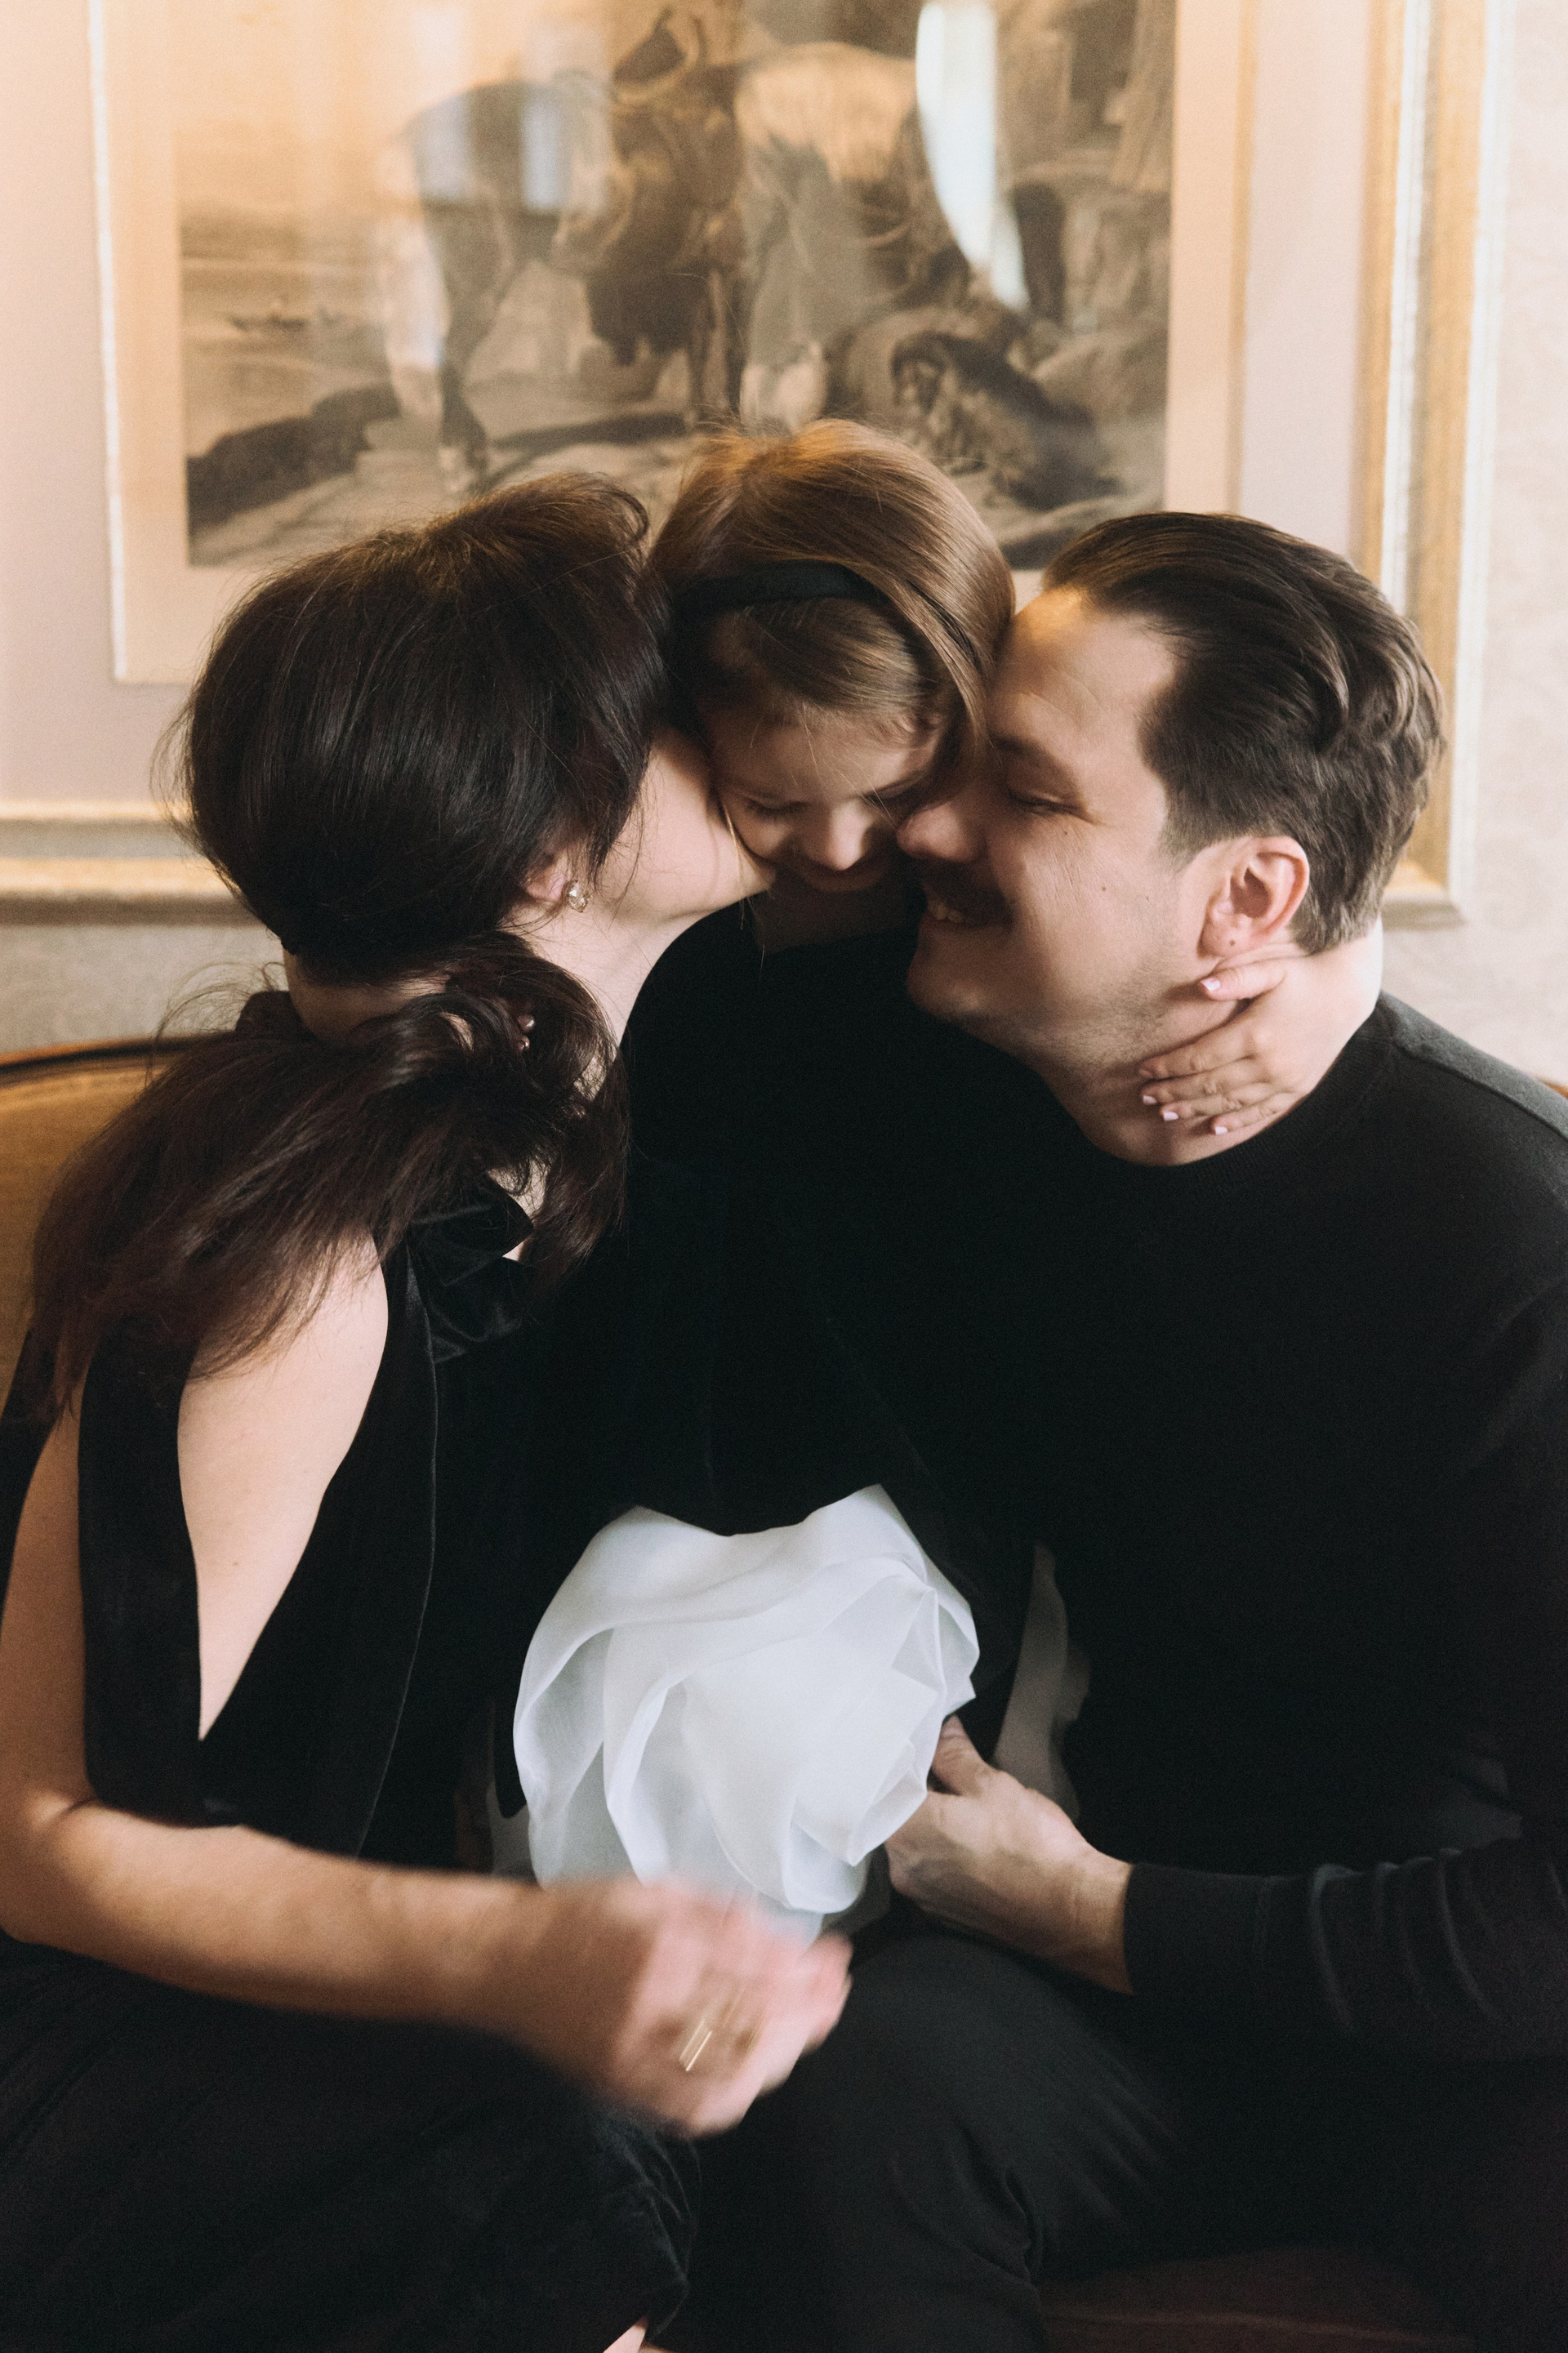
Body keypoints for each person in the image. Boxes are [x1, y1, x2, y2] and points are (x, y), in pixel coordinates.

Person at [0, 479, 848, 2353]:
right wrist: (516, 1954)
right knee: (534, 2184)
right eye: (672, 707)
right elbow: (44, 1841)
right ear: (550, 852)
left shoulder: (547, 1150)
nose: (731, 735)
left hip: (304, 1996)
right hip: (87, 2041)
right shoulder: (300, 1266)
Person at [727, 512, 1568, 2353]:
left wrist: (1096, 1912)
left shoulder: (1516, 1249)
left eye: (1022, 791)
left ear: (1247, 904)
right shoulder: (944, 1073)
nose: (923, 830)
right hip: (1120, 2022)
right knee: (854, 2093)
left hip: (1463, 2023)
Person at [636, 421, 1385, 1155]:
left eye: (898, 792)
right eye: (771, 803)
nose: (841, 852)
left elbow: (1303, 878)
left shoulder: (976, 921)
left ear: (979, 701)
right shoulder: (668, 886)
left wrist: (1339, 980)